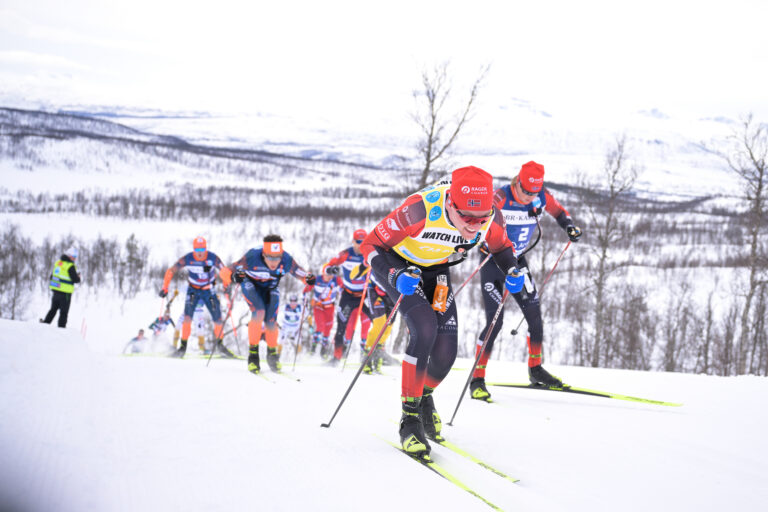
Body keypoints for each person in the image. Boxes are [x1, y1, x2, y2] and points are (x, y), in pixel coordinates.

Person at [359, 166, 524, 458]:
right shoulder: (418, 212)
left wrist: (512, 268)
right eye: (466, 218)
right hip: (399, 266)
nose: (474, 226)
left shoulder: (491, 217)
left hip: (437, 270)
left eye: (481, 219)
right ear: (450, 203)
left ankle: (424, 398)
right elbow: (371, 245)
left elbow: (501, 247)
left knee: (446, 350)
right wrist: (394, 275)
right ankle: (409, 420)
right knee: (424, 329)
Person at [470, 161, 583, 401]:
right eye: (525, 191)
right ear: (517, 182)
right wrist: (475, 237)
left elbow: (560, 213)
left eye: (533, 192)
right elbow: (479, 216)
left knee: (535, 316)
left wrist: (570, 227)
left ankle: (536, 370)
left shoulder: (540, 196)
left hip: (518, 264)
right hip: (493, 262)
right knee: (495, 322)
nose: (528, 196)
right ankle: (477, 379)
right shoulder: (501, 196)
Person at [229, 234, 315, 374]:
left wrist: (309, 279)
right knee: (259, 312)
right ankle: (253, 356)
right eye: (270, 257)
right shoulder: (252, 256)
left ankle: (272, 355)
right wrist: (234, 277)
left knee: (271, 321)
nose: (274, 261)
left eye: (277, 257)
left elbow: (301, 273)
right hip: (251, 284)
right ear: (263, 255)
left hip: (270, 288)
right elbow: (228, 271)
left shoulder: (286, 259)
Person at [159, 236, 233, 358]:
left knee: (217, 318)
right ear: (194, 250)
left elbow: (224, 271)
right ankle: (182, 348)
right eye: (197, 251)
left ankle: (220, 346)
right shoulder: (188, 258)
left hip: (209, 291)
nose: (200, 253)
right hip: (193, 290)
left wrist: (226, 285)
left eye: (202, 250)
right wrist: (165, 287)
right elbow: (171, 271)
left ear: (206, 249)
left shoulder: (212, 258)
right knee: (187, 318)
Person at [323, 229, 372, 366]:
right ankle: (337, 357)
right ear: (353, 241)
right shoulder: (346, 254)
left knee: (377, 323)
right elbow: (329, 265)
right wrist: (330, 270)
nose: (360, 245)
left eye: (363, 242)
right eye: (358, 242)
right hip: (348, 296)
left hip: (365, 295)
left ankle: (375, 356)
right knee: (341, 325)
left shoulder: (370, 254)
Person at [41, 246, 81, 328]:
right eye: (74, 257)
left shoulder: (58, 263)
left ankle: (45, 324)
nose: (75, 259)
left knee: (53, 310)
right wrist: (78, 277)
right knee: (64, 312)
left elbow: (52, 276)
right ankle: (61, 329)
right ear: (69, 256)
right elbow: (75, 279)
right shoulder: (70, 266)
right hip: (65, 293)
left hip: (56, 291)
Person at [310, 267, 342, 358]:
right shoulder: (317, 279)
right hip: (318, 306)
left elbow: (342, 287)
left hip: (329, 307)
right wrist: (304, 297)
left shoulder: (336, 279)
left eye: (331, 274)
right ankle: (313, 348)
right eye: (327, 274)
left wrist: (342, 293)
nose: (329, 276)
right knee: (320, 326)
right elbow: (307, 287)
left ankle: (323, 351)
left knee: (328, 328)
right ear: (323, 273)